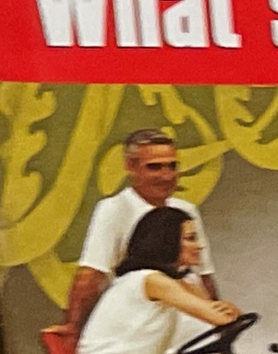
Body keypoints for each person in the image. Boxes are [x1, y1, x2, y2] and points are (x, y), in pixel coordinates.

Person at [76, 205, 244, 354]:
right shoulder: (152, 280)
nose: (199, 246)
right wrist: (227, 313)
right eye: (191, 239)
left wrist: (227, 312)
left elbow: (218, 313)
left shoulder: (172, 281)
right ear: (167, 242)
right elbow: (219, 317)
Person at [66, 128, 212, 334]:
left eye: (172, 166)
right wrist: (74, 328)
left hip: (185, 323)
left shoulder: (186, 210)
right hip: (136, 327)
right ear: (130, 166)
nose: (167, 176)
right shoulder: (113, 209)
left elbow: (203, 276)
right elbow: (91, 276)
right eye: (155, 167)